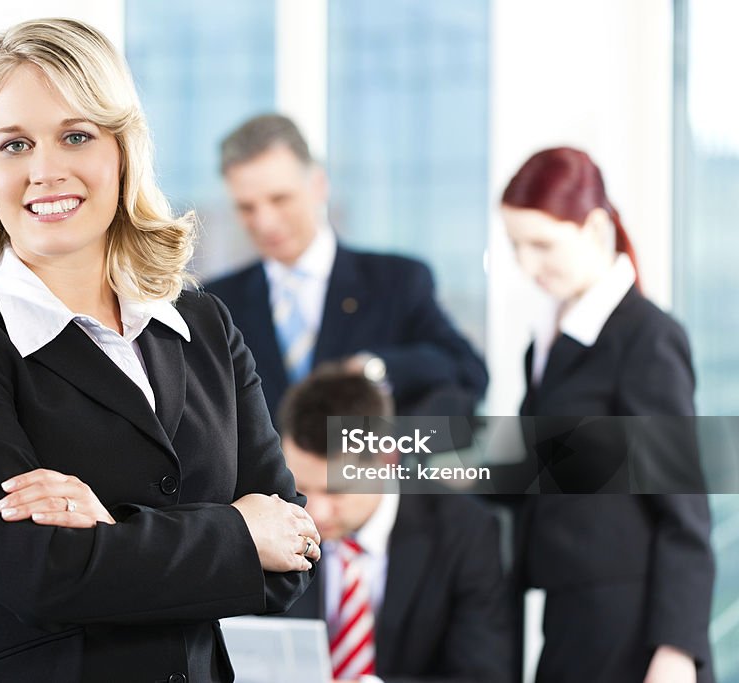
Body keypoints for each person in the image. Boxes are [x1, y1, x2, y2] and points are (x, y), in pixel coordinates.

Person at [0, 18, 319, 683]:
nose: (43, 170)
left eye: (77, 135)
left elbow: (292, 553)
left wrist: (108, 533)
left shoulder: (203, 325)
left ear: (122, 150)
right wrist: (236, 534)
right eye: (14, 144)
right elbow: (34, 575)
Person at [499, 147, 716, 682]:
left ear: (595, 228)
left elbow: (684, 507)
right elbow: (523, 470)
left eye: (542, 245)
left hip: (633, 630)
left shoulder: (646, 338)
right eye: (516, 246)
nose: (528, 266)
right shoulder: (550, 341)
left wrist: (676, 648)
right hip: (570, 618)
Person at [204, 113, 487, 422]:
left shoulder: (397, 282)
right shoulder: (216, 303)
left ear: (318, 185)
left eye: (280, 199)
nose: (264, 222)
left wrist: (373, 370)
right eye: (247, 207)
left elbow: (467, 370)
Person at [277, 365, 513, 683]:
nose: (316, 512)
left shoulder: (465, 532)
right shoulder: (274, 520)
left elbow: (484, 675)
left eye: (338, 490)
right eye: (301, 487)